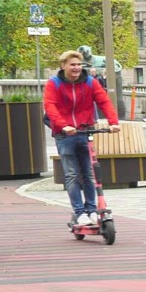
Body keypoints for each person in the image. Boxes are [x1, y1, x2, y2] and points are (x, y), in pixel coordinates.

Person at [43, 49, 120, 226]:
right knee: (72, 175)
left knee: (89, 173)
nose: (77, 68)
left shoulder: (90, 82)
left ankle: (91, 209)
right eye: (73, 65)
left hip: (85, 131)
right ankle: (79, 212)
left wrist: (113, 122)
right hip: (65, 134)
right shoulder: (54, 83)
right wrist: (64, 125)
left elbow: (104, 101)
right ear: (63, 66)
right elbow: (50, 106)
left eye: (79, 64)